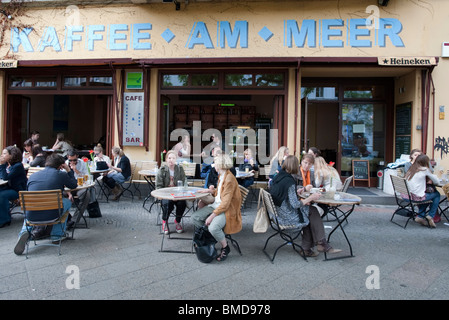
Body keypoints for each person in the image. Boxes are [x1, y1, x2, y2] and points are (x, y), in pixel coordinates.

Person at [13, 154, 77, 255]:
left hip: (31, 215)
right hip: (53, 215)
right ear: (61, 166)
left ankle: (24, 233)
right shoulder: (61, 174)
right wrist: (69, 170)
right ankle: (57, 236)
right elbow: (74, 185)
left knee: (30, 209)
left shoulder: (33, 176)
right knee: (67, 202)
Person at [192, 154, 242, 262]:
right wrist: (210, 191)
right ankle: (212, 239)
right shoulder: (222, 175)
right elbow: (220, 194)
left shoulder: (229, 179)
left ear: (220, 165)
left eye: (215, 163)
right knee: (195, 217)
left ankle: (225, 246)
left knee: (213, 227)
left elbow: (226, 203)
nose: (214, 165)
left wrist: (212, 216)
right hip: (217, 205)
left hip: (227, 209)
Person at [293, 155, 342, 256]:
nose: (307, 166)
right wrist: (304, 188)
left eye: (309, 164)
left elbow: (315, 187)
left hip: (307, 202)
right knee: (312, 212)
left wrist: (314, 190)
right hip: (297, 204)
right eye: (305, 163)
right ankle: (321, 243)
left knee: (312, 213)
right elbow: (292, 189)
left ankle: (306, 249)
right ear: (301, 162)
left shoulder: (311, 173)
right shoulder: (295, 173)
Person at [156, 150, 187, 234]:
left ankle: (177, 221)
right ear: (166, 159)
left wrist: (178, 194)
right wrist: (168, 196)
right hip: (166, 195)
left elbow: (184, 184)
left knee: (182, 203)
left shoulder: (180, 169)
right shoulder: (162, 170)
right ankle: (164, 221)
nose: (171, 160)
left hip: (178, 194)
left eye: (173, 158)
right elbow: (158, 187)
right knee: (167, 204)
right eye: (169, 158)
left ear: (176, 159)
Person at [404, 154, 440, 227]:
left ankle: (420, 216)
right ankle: (430, 216)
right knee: (437, 194)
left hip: (406, 196)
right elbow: (436, 182)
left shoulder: (411, 168)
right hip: (416, 197)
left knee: (427, 197)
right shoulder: (424, 169)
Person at [0, 146, 27, 228]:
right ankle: (4, 214)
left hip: (19, 190)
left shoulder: (18, 166)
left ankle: (5, 219)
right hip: (11, 187)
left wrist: (2, 165)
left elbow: (5, 177)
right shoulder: (10, 165)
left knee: (1, 195)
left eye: (4, 153)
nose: (2, 155)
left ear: (12, 155)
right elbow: (2, 175)